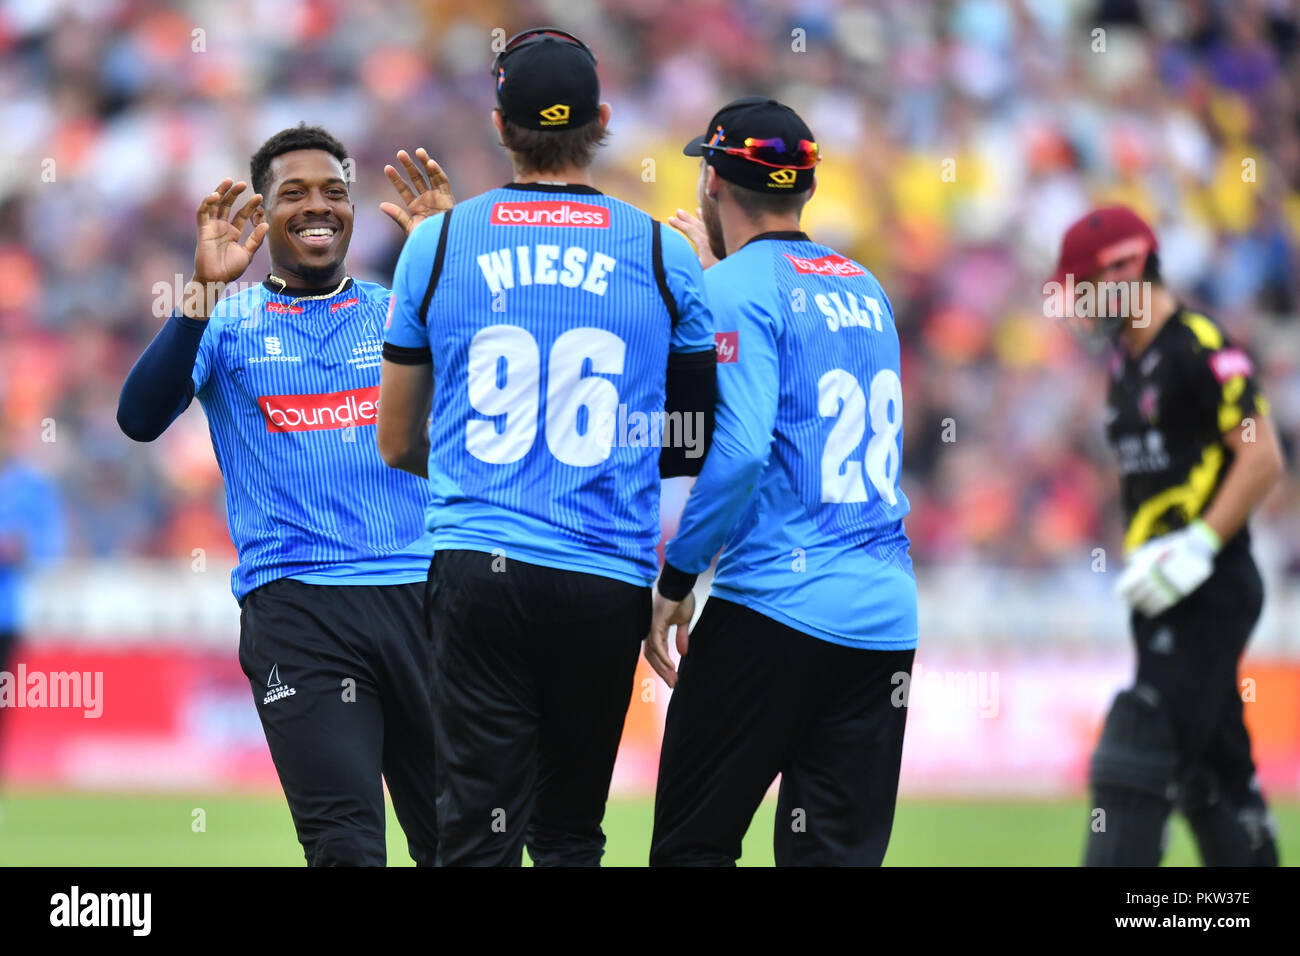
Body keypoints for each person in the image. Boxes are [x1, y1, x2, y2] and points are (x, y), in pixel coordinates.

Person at [377, 27, 716, 866]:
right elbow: (691, 441)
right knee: (568, 833)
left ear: (500, 126)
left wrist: (475, 470)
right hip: (603, 575)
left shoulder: (440, 241)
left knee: (473, 829)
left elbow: (394, 441)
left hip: (475, 566)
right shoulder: (663, 252)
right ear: (601, 121)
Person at [116, 124, 454, 866]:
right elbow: (138, 420)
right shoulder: (226, 324)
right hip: (299, 611)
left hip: (427, 600)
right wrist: (202, 290)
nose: (318, 206)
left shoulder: (399, 309)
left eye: (335, 191)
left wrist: (447, 270)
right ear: (262, 214)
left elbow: (493, 411)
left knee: (459, 843)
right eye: (293, 193)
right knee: (345, 846)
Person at [645, 97, 918, 866]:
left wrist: (677, 577)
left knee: (691, 849)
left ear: (713, 182)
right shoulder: (867, 289)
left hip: (775, 608)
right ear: (806, 187)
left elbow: (736, 453)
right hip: (884, 615)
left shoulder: (732, 290)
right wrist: (721, 283)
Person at [1048, 205, 1284, 866]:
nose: (1080, 308)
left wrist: (1198, 545)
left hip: (1211, 586)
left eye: (1087, 289)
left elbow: (1261, 455)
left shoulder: (1199, 345)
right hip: (1160, 593)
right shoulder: (1125, 364)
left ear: (1127, 273)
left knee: (1137, 739)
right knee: (1214, 776)